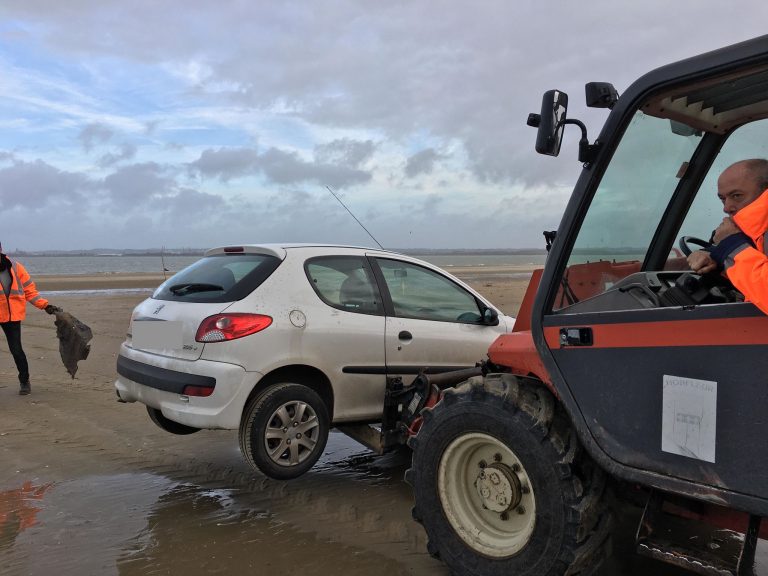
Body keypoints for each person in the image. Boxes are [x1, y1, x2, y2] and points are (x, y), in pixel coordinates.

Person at [687, 158, 768, 314]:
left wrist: (732, 247)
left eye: (737, 196)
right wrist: (718, 261)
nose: (726, 207)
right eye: (723, 199)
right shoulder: (757, 236)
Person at [0, 243, 60, 395]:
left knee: (16, 350)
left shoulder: (15, 267)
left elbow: (29, 291)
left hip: (12, 315)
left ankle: (24, 381)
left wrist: (45, 306)